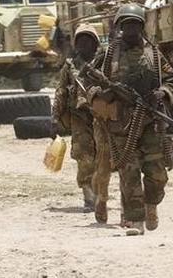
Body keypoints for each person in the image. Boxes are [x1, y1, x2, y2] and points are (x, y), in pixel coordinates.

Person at [87, 3, 173, 235]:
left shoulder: (154, 54)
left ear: (141, 26)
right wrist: (102, 94)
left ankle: (151, 205)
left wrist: (163, 93)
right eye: (126, 24)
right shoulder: (108, 55)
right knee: (129, 173)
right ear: (119, 26)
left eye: (134, 24)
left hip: (150, 121)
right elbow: (87, 83)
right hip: (121, 124)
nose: (130, 30)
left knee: (157, 173)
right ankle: (135, 220)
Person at [53, 24, 101, 210]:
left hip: (101, 117)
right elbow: (61, 91)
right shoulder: (70, 65)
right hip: (79, 117)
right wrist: (55, 118)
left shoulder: (104, 62)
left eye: (88, 40)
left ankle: (100, 192)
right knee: (83, 156)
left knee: (103, 156)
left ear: (95, 43)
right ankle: (89, 195)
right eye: (80, 40)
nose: (84, 44)